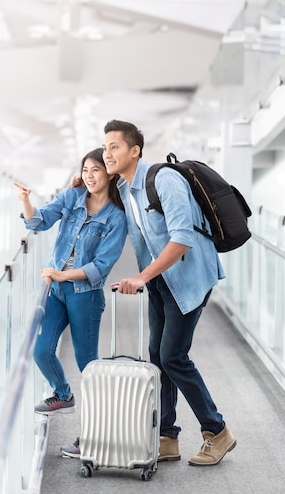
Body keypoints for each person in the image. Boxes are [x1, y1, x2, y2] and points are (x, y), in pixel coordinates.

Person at [102, 119, 236, 467]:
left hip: (189, 276)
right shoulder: (126, 189)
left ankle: (217, 432)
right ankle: (167, 437)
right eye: (105, 147)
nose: (107, 153)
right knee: (157, 357)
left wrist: (142, 276)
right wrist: (79, 183)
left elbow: (182, 239)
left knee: (173, 356)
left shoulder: (164, 179)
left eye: (114, 146)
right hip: (162, 281)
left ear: (135, 151)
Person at [14, 147, 127, 455]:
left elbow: (102, 266)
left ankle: (93, 436)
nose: (90, 176)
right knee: (41, 350)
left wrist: (64, 276)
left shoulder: (116, 218)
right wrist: (25, 200)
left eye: (97, 170)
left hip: (85, 296)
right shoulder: (72, 198)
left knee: (88, 367)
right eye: (86, 170)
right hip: (55, 291)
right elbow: (38, 222)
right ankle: (63, 394)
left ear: (110, 174)